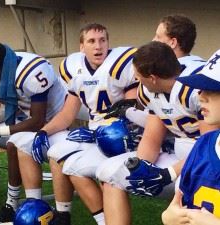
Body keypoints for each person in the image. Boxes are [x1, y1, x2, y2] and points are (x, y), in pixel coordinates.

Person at [96, 41, 217, 225]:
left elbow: (206, 150)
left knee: (187, 192)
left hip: (196, 155)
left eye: (211, 90)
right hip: (182, 153)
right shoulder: (149, 91)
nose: (202, 96)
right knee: (114, 174)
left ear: (152, 77)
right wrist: (142, 168)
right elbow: (152, 136)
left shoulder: (191, 91)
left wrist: (167, 174)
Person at [32, 23, 139, 225]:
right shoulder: (75, 68)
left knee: (80, 166)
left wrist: (100, 131)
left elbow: (130, 112)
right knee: (57, 153)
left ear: (108, 43)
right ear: (82, 47)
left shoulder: (120, 65)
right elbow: (67, 113)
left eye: (102, 40)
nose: (98, 46)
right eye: (91, 41)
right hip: (94, 132)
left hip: (121, 136)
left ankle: (105, 220)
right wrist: (43, 132)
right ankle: (64, 215)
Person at [0, 42, 67, 225]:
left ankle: (12, 205)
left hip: (55, 124)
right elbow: (9, 110)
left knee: (13, 143)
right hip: (28, 122)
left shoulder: (31, 73)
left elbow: (38, 120)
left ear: (2, 66)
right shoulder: (7, 71)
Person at [161, 50, 220, 225]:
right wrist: (169, 217)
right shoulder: (203, 145)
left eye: (212, 89)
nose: (200, 96)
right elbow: (181, 205)